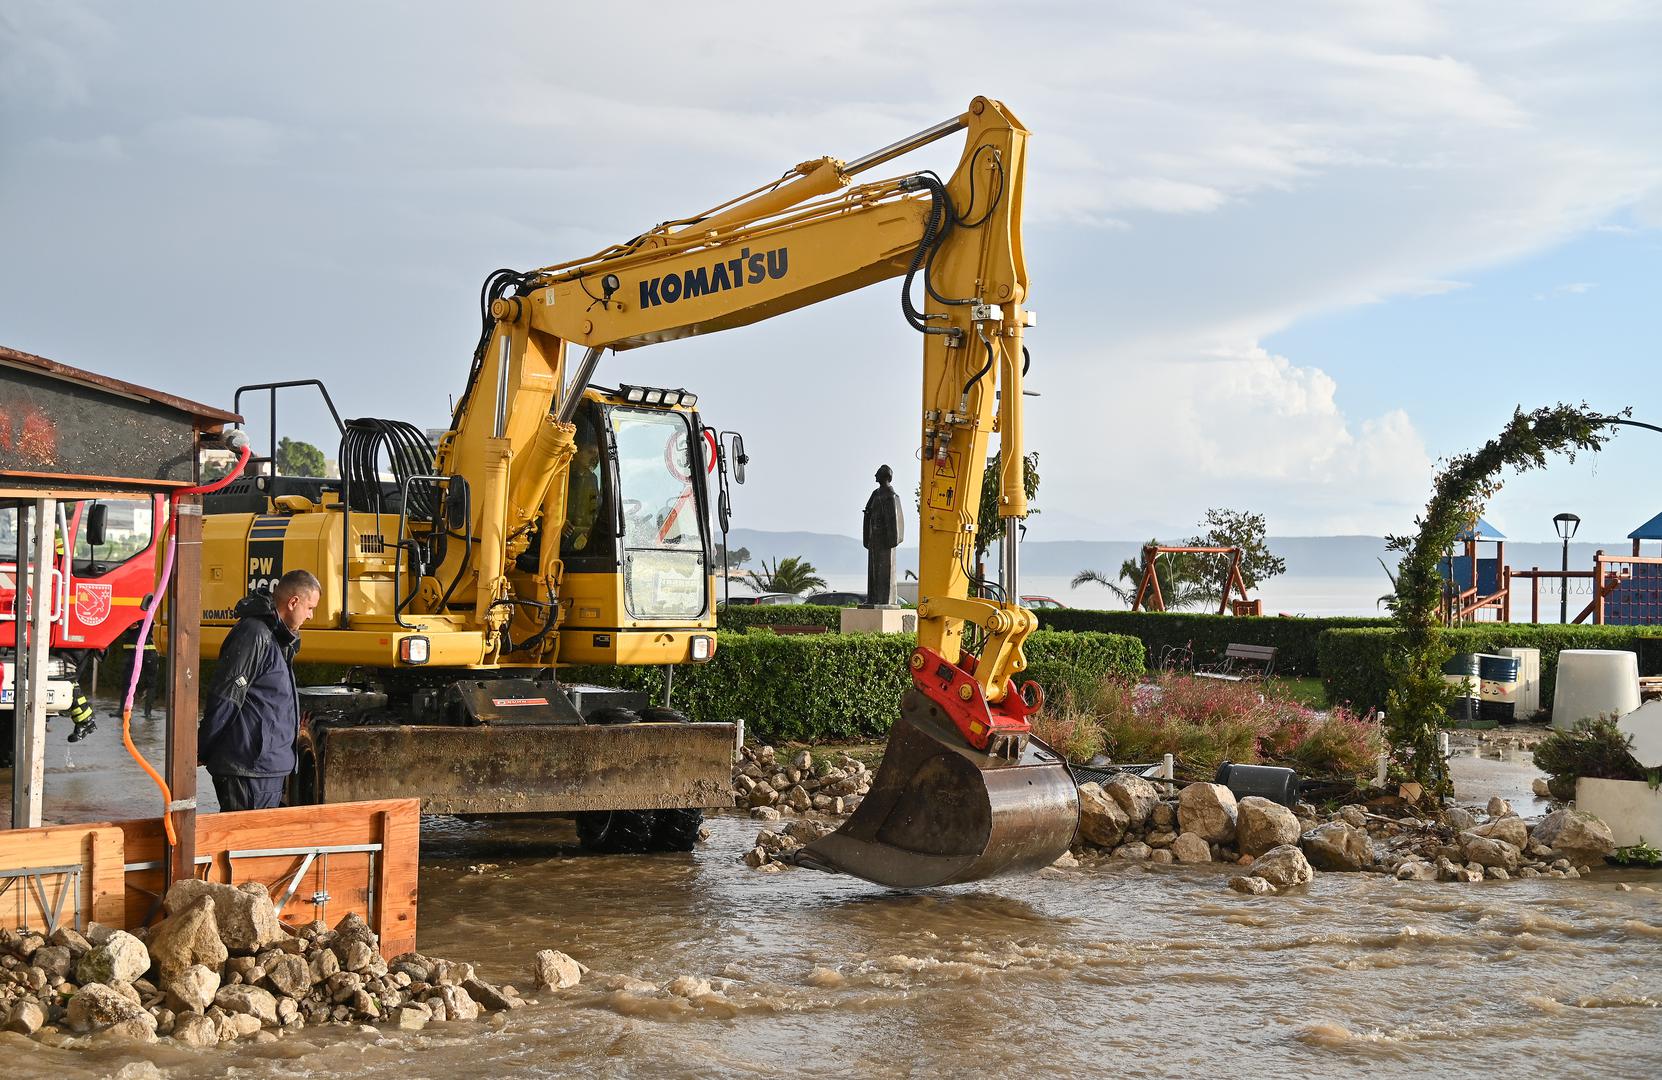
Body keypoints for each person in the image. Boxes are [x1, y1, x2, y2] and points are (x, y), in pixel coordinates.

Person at [198, 569, 320, 811]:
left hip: (262, 767)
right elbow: (227, 697)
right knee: (244, 844)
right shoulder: (255, 634)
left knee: (256, 845)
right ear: (293, 602)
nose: (310, 616)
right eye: (309, 608)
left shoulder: (275, 637)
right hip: (249, 769)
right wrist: (202, 747)